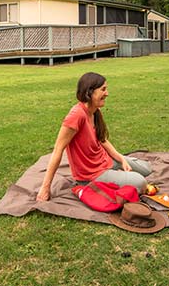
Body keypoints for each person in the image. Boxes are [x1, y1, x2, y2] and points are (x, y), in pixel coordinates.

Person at [37, 72, 152, 201]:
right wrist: (45, 188)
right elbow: (58, 150)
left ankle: (118, 175)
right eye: (103, 89)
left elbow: (102, 139)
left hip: (104, 161)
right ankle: (112, 181)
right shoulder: (76, 115)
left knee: (146, 169)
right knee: (141, 183)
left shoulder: (95, 110)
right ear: (90, 92)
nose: (107, 93)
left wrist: (121, 159)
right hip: (91, 176)